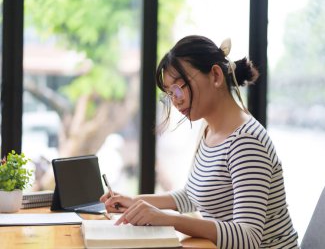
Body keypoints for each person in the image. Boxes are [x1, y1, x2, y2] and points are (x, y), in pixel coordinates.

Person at [100, 35, 299, 249]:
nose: (175, 99)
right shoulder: (207, 129)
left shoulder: (246, 141)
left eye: (178, 87)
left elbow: (247, 238)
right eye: (169, 93)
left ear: (215, 75)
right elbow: (193, 195)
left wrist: (168, 219)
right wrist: (136, 202)